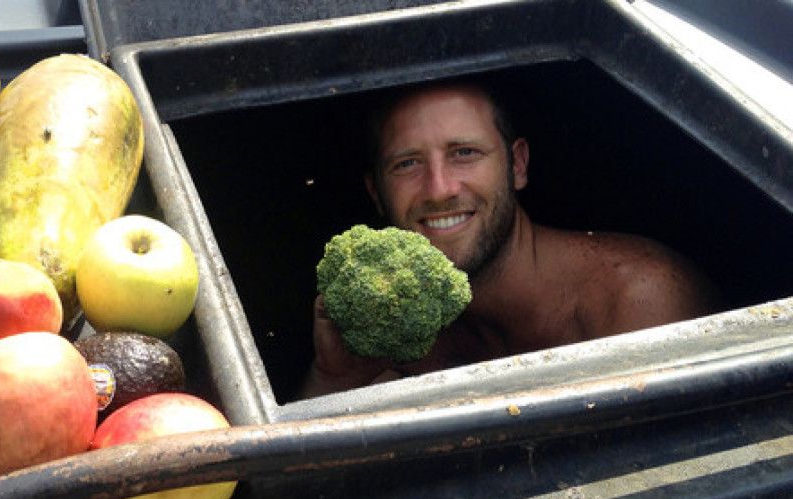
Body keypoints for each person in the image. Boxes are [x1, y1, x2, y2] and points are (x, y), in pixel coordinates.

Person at [302, 80, 723, 398]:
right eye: (407, 163)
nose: (439, 189)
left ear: (517, 165)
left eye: (464, 153)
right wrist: (336, 378)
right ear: (376, 193)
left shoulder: (636, 300)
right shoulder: (402, 337)